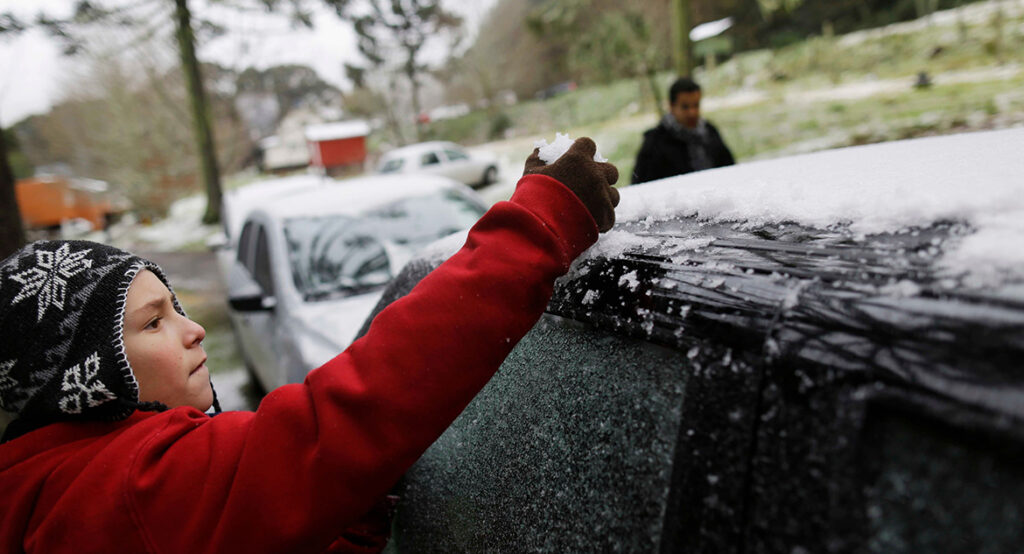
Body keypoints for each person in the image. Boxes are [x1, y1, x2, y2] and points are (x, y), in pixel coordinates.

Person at [0, 138, 620, 553]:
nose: (193, 330)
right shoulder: (127, 487)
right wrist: (538, 225)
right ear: (86, 370)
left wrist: (346, 519)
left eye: (177, 307)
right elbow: (347, 415)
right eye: (152, 322)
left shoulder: (49, 484)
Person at [631, 76, 735, 184]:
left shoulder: (710, 132)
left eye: (696, 105)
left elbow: (731, 170)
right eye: (685, 107)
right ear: (672, 106)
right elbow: (641, 185)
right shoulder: (654, 143)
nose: (692, 113)